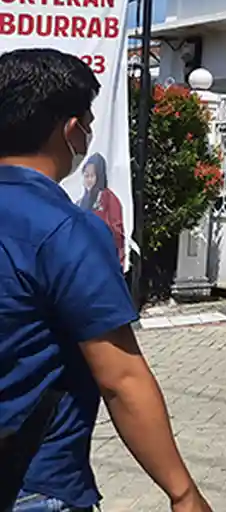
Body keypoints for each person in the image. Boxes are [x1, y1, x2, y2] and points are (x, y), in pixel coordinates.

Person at [0, 49, 211, 512]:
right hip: (31, 482)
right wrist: (183, 493)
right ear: (71, 130)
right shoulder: (66, 229)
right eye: (87, 123)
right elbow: (121, 379)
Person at [76, 153, 125, 270]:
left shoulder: (109, 199)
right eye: (86, 176)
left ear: (100, 176)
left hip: (103, 260)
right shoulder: (80, 202)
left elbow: (117, 232)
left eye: (92, 176)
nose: (88, 180)